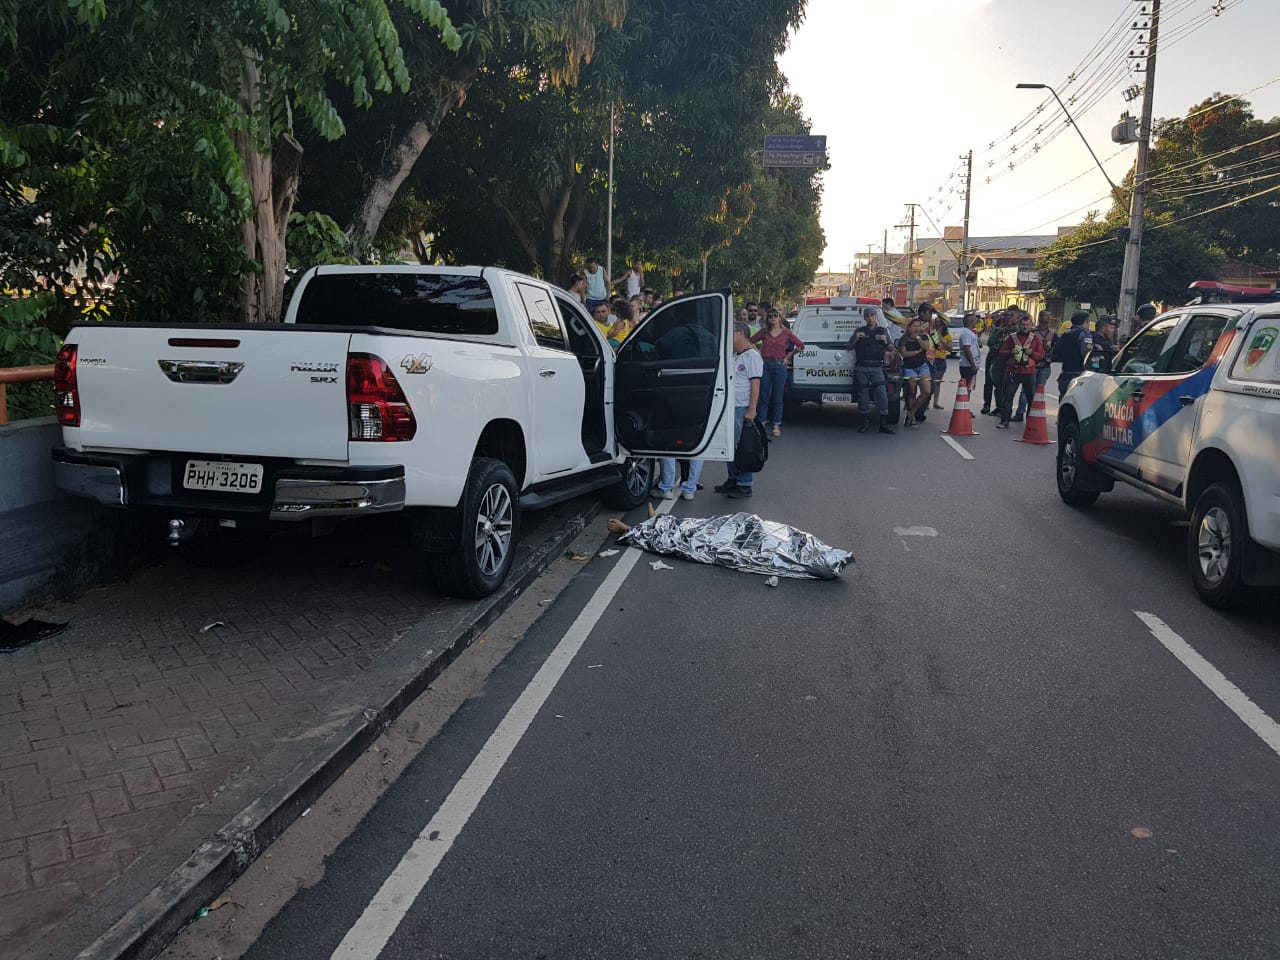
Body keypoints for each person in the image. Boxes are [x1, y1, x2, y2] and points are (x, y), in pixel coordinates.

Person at [714, 322, 763, 499]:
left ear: (741, 333)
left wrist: (751, 409)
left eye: (732, 332)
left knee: (742, 446)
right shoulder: (735, 355)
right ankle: (733, 478)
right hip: (729, 406)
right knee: (729, 445)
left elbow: (755, 385)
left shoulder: (752, 357)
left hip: (741, 406)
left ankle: (744, 483)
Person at [751, 307, 805, 437]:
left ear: (780, 317)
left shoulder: (786, 333)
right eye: (770, 316)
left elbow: (800, 345)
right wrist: (758, 353)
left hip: (780, 364)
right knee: (763, 395)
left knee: (778, 396)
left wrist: (789, 356)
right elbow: (751, 341)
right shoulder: (764, 332)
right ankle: (762, 422)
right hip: (765, 364)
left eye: (775, 315)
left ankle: (776, 424)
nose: (773, 318)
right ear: (767, 318)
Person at [848, 306, 896, 434]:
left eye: (872, 315)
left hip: (876, 367)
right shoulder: (859, 330)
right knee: (863, 395)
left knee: (881, 394)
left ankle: (883, 424)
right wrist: (856, 337)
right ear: (864, 318)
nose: (870, 318)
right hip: (862, 367)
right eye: (867, 316)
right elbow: (849, 346)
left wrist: (885, 341)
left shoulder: (882, 331)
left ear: (876, 317)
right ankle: (865, 423)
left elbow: (892, 349)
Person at [997, 311, 1045, 428]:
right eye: (1023, 324)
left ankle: (1030, 422)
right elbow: (1001, 352)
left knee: (1030, 399)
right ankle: (1005, 420)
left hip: (1029, 372)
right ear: (1019, 325)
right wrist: (1010, 352)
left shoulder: (1035, 339)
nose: (1025, 327)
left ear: (1031, 325)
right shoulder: (1011, 338)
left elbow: (1041, 355)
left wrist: (1032, 353)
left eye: (1027, 325)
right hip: (1014, 372)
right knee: (1008, 397)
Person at [1019, 310, 1058, 418]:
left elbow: (1058, 347)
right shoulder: (1032, 332)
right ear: (1040, 318)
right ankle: (1020, 411)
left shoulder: (1053, 333)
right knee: (1026, 389)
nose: (1049, 319)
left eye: (1050, 316)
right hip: (1031, 363)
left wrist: (1052, 354)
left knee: (1039, 389)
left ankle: (1034, 413)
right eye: (1046, 316)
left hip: (1045, 365)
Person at [897, 317, 933, 426]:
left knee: (926, 392)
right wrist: (918, 351)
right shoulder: (903, 339)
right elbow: (904, 354)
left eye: (918, 326)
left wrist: (918, 338)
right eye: (914, 326)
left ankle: (911, 412)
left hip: (922, 366)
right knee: (911, 392)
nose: (916, 328)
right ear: (909, 327)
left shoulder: (923, 337)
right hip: (909, 368)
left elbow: (926, 347)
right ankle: (910, 417)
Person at [1052, 310, 1094, 397]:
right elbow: (1086, 354)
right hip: (1079, 374)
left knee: (1064, 400)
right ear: (1086, 321)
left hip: (1066, 373)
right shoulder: (1085, 335)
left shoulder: (1065, 334)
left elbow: (1057, 353)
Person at [981, 309, 1012, 414]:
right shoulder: (997, 328)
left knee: (1001, 384)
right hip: (993, 356)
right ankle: (987, 405)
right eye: (1006, 317)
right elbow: (990, 342)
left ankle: (1000, 406)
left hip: (1005, 359)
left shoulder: (1015, 331)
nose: (1007, 319)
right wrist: (999, 332)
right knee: (988, 382)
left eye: (1010, 317)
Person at [928, 312, 952, 410]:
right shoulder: (932, 333)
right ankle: (926, 401)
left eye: (940, 323)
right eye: (936, 323)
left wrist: (942, 339)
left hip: (941, 359)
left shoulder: (947, 335)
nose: (938, 325)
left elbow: (949, 348)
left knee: (937, 382)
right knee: (930, 382)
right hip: (931, 359)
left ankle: (935, 402)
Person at [956, 311, 981, 392]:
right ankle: (963, 404)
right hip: (967, 365)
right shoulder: (966, 334)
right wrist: (972, 364)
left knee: (969, 388)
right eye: (974, 320)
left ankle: (965, 403)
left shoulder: (970, 332)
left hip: (970, 365)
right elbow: (967, 349)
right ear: (970, 322)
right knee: (966, 389)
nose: (976, 322)